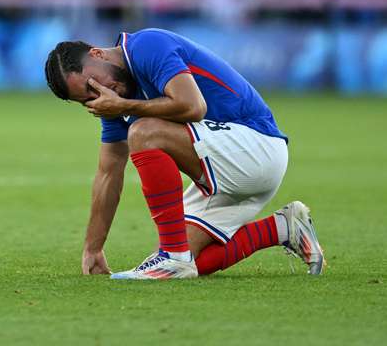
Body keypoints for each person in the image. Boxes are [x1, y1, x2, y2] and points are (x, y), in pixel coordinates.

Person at [44, 29, 325, 279]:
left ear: (97, 53)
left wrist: (125, 106)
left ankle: (172, 255)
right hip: (223, 166)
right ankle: (283, 227)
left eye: (93, 84)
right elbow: (109, 171)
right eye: (88, 99)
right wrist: (93, 248)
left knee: (143, 132)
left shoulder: (146, 46)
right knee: (193, 262)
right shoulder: (115, 103)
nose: (98, 95)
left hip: (257, 147)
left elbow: (193, 106)